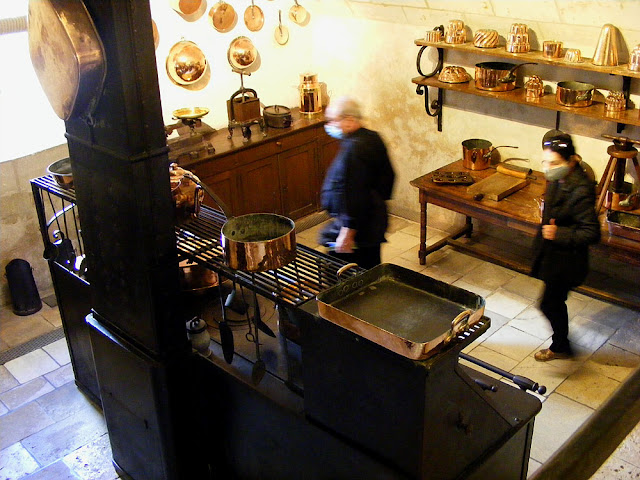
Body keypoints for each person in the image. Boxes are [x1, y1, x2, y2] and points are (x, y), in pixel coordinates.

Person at [531, 131, 600, 361]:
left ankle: (561, 346)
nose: (548, 168)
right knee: (552, 302)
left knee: (550, 304)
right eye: (545, 162)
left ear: (571, 161)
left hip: (567, 260)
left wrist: (559, 233)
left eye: (554, 163)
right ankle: (561, 342)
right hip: (553, 255)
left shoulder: (580, 190)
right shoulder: (559, 177)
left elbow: (591, 232)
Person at [319, 96, 395, 269]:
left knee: (341, 272)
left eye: (332, 120)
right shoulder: (372, 138)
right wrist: (378, 205)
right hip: (373, 220)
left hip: (359, 229)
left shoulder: (354, 149)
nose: (329, 125)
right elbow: (389, 177)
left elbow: (354, 193)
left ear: (350, 120)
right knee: (371, 266)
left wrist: (347, 232)